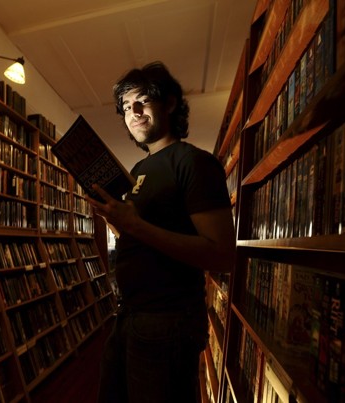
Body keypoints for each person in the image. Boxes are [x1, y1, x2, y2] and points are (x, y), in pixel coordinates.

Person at [87, 61, 236, 403]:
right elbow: (141, 237)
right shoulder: (139, 169)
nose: (133, 112)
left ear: (169, 103)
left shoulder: (193, 162)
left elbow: (222, 255)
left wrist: (134, 224)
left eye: (142, 101)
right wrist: (114, 218)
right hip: (129, 314)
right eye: (126, 107)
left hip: (169, 320)